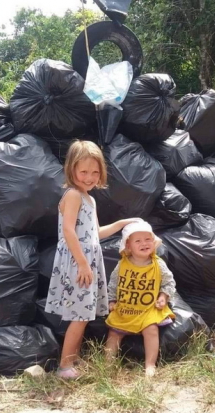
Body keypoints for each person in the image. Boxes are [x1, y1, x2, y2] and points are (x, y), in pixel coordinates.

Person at [45, 140, 139, 380]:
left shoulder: (89, 198)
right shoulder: (73, 195)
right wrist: (83, 264)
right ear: (72, 170)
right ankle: (65, 367)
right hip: (79, 263)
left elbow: (95, 232)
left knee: (83, 314)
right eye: (83, 171)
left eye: (95, 172)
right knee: (79, 316)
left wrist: (120, 224)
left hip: (86, 260)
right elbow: (68, 231)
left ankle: (72, 360)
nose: (89, 177)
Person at [105, 220, 176, 377]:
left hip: (147, 309)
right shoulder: (122, 265)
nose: (144, 243)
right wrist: (112, 300)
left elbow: (169, 282)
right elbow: (113, 283)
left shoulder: (158, 264)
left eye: (148, 239)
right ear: (128, 246)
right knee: (114, 333)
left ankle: (150, 365)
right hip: (126, 308)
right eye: (138, 241)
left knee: (151, 329)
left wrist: (163, 296)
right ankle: (108, 364)